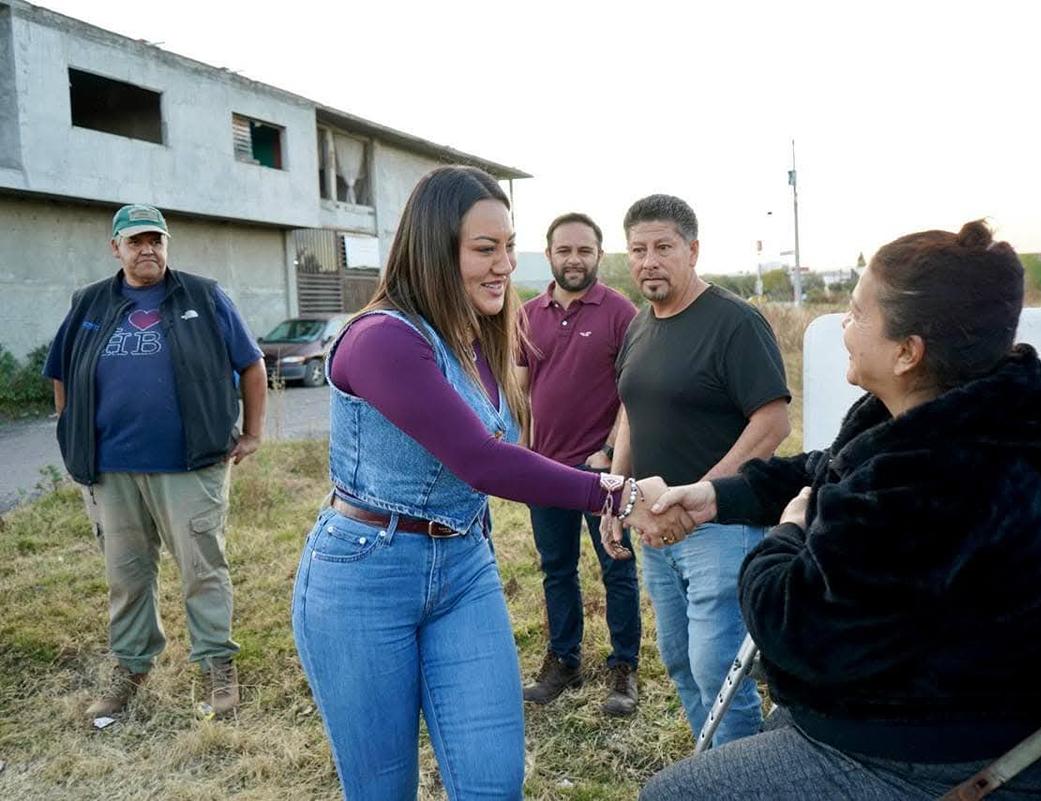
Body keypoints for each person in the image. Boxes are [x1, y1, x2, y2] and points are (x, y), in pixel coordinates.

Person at [289, 166, 689, 801]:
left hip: (464, 566)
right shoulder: (381, 339)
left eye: (508, 245)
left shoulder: (481, 335)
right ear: (433, 248)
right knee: (383, 789)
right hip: (365, 574)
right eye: (485, 249)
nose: (505, 264)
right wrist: (621, 494)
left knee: (493, 783)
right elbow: (480, 460)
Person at [641, 221, 1041, 800]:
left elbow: (795, 628)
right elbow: (826, 471)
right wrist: (716, 497)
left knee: (671, 796)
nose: (843, 327)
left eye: (855, 313)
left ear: (907, 352)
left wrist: (786, 536)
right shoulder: (938, 422)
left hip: (932, 754)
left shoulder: (942, 479)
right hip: (902, 719)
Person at [44, 203, 267, 720]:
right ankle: (130, 665)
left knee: (202, 569)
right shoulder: (89, 302)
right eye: (136, 241)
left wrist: (253, 434)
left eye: (156, 240)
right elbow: (60, 373)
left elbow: (251, 366)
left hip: (190, 465)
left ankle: (216, 667)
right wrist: (71, 429)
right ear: (115, 247)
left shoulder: (204, 296)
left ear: (166, 244)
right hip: (110, 468)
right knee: (126, 574)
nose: (148, 249)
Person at [609, 194, 792, 746]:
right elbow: (631, 412)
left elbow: (773, 421)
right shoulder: (640, 326)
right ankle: (712, 769)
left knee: (720, 671)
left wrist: (705, 493)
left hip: (720, 528)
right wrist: (616, 497)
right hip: (657, 528)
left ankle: (744, 775)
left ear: (692, 250)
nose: (649, 261)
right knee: (681, 663)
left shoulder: (735, 323)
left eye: (663, 247)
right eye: (638, 250)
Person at [518, 212, 642, 715]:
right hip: (544, 470)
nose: (574, 259)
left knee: (617, 565)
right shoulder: (526, 313)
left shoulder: (620, 313)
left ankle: (624, 668)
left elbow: (634, 394)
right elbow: (520, 390)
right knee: (556, 569)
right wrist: (521, 453)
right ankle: (564, 660)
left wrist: (610, 451)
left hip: (602, 470)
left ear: (599, 255)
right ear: (549, 254)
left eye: (584, 251)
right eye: (565, 250)